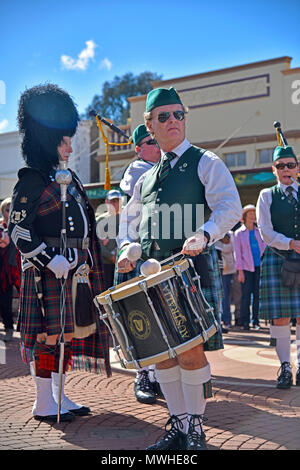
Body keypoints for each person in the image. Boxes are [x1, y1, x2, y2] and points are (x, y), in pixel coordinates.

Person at [117, 87, 242, 450]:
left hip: (188, 270)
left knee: (189, 352)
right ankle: (180, 424)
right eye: (163, 116)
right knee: (162, 354)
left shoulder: (206, 161)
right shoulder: (145, 179)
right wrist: (130, 247)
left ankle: (196, 429)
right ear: (149, 127)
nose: (173, 120)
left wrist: (205, 233)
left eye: (178, 114)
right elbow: (130, 224)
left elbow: (229, 207)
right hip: (150, 277)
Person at [8, 84, 111, 422]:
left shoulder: (69, 176)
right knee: (47, 336)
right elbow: (19, 230)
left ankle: (59, 396)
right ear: (44, 139)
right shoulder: (32, 179)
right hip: (46, 272)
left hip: (75, 269)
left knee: (66, 334)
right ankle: (42, 402)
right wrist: (48, 259)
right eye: (63, 139)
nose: (70, 145)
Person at [118, 124, 162, 405]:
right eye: (150, 141)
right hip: (140, 255)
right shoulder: (136, 173)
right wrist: (126, 249)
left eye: (157, 140)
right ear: (138, 149)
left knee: (164, 317)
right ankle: (144, 375)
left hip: (164, 254)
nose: (156, 145)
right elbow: (127, 222)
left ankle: (160, 376)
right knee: (143, 319)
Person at [257, 143, 300, 389]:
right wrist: (291, 243)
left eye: (290, 165)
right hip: (278, 258)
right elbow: (265, 232)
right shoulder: (266, 195)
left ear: (297, 168)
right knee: (281, 318)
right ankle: (285, 367)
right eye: (280, 165)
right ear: (274, 170)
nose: (286, 169)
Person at [234, 205, 266, 330]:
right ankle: (245, 321)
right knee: (246, 295)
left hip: (260, 267)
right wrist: (240, 271)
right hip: (246, 269)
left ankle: (256, 321)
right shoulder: (238, 233)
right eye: (250, 213)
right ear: (245, 216)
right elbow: (237, 254)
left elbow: (264, 247)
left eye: (254, 213)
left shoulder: (260, 232)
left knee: (258, 295)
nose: (253, 215)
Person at [0, 198, 21, 342]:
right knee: (4, 302)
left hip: (20, 269)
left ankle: (29, 330)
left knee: (28, 300)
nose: (10, 212)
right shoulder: (1, 227)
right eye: (7, 209)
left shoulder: (22, 224)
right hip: (4, 271)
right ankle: (8, 328)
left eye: (12, 208)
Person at [96, 189, 123, 291]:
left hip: (124, 261)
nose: (115, 204)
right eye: (112, 201)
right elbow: (98, 243)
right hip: (106, 263)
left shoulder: (127, 217)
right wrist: (111, 256)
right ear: (106, 202)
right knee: (107, 291)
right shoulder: (100, 220)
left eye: (117, 201)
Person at [215, 232, 236, 329]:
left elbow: (229, 247)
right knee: (219, 297)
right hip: (216, 268)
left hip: (224, 269)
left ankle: (226, 320)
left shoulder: (228, 232)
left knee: (224, 296)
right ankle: (219, 322)